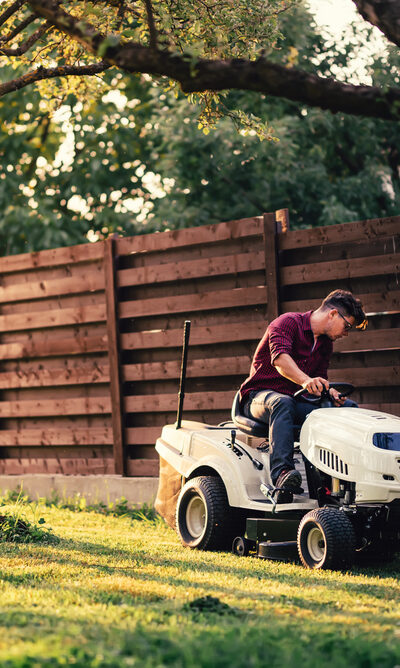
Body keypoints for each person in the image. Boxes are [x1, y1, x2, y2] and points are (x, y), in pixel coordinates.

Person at [239, 289, 367, 499]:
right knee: (282, 402)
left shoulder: (325, 344)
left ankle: (341, 481)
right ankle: (282, 473)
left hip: (294, 400)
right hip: (259, 398)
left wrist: (329, 392)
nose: (346, 333)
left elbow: (318, 379)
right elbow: (280, 360)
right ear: (333, 314)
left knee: (347, 409)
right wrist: (306, 380)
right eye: (347, 326)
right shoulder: (287, 323)